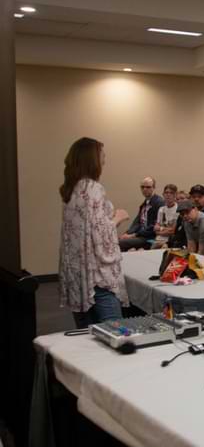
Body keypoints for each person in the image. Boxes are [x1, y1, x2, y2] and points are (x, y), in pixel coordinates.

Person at [59, 137, 130, 326]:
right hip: (97, 276)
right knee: (114, 330)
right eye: (102, 156)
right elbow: (99, 233)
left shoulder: (72, 188)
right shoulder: (92, 188)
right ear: (92, 159)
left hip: (78, 273)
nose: (105, 160)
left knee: (86, 335)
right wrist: (118, 217)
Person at [119, 176, 163, 251]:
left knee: (119, 243)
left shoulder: (159, 203)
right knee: (118, 239)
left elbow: (154, 226)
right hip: (140, 235)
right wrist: (127, 233)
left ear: (154, 188)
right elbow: (137, 222)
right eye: (142, 187)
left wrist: (132, 235)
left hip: (150, 237)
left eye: (148, 187)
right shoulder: (144, 204)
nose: (144, 189)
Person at [152, 183, 179, 249]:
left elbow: (172, 231)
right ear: (163, 195)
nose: (168, 195)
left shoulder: (178, 209)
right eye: (166, 193)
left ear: (175, 195)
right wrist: (162, 230)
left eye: (171, 193)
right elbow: (155, 229)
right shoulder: (161, 209)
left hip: (169, 241)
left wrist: (160, 229)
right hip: (157, 239)